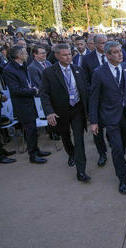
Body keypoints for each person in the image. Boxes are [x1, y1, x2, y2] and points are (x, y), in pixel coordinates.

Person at [89, 41, 126, 194]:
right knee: (117, 148)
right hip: (110, 116)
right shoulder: (99, 72)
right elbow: (94, 98)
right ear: (107, 55)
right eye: (115, 52)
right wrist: (94, 121)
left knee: (124, 143)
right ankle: (122, 179)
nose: (120, 54)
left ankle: (120, 156)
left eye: (120, 51)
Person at [40, 43, 91, 182]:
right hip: (60, 111)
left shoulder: (78, 70)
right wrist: (49, 112)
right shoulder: (49, 72)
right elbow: (44, 94)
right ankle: (71, 153)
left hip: (77, 110)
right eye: (65, 55)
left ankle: (81, 171)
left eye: (70, 54)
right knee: (65, 136)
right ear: (57, 56)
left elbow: (85, 90)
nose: (68, 57)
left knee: (79, 139)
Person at [3, 46, 51, 163]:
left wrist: (31, 90)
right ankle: (32, 155)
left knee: (33, 129)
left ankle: (36, 149)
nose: (27, 54)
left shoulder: (22, 65)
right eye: (24, 53)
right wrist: (33, 91)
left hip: (29, 101)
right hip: (22, 104)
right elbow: (15, 90)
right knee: (30, 129)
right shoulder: (9, 69)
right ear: (18, 55)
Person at [81, 34, 108, 167]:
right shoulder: (87, 59)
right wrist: (92, 92)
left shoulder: (114, 53)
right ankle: (102, 153)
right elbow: (84, 80)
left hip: (112, 99)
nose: (105, 45)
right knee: (98, 129)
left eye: (106, 42)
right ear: (95, 44)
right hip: (96, 100)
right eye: (102, 43)